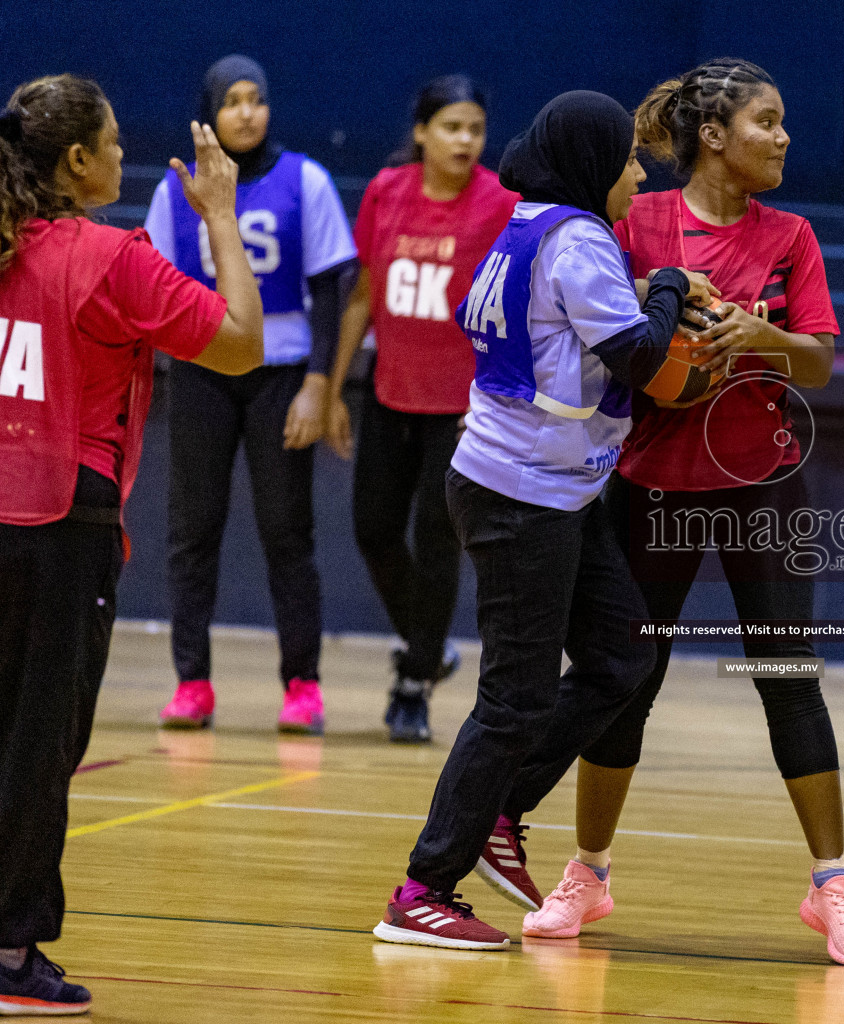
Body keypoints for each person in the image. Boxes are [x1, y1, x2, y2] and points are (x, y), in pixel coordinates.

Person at [503, 59, 844, 968]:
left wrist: (765, 338)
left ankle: (833, 887)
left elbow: (822, 362)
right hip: (649, 478)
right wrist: (656, 311)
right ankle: (588, 874)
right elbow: (586, 319)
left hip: (761, 484)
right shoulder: (633, 222)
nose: (785, 136)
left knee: (789, 677)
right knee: (624, 680)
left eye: (782, 120)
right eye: (768, 121)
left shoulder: (791, 236)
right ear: (713, 136)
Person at [371, 89, 715, 950]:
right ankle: (423, 887)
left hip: (546, 488)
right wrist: (668, 286)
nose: (638, 175)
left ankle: (499, 812)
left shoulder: (528, 223)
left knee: (624, 654)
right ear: (594, 163)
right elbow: (637, 356)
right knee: (513, 699)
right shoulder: (578, 237)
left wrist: (647, 292)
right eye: (629, 161)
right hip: (521, 492)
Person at [0, 75, 262, 1014]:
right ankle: (12, 950)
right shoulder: (109, 257)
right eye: (112, 142)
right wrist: (221, 218)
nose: (123, 156)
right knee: (39, 743)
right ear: (77, 162)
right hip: (57, 522)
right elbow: (239, 341)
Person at [145, 54, 357, 734]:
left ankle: (302, 686)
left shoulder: (307, 181)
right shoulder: (175, 189)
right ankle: (192, 683)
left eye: (255, 99)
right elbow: (152, 284)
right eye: (231, 100)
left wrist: (320, 386)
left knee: (286, 533)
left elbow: (331, 288)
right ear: (210, 110)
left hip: (283, 374)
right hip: (202, 372)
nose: (245, 111)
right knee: (191, 530)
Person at [325, 75, 519, 743]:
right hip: (388, 391)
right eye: (452, 127)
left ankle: (412, 685)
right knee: (374, 529)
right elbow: (361, 298)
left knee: (438, 544)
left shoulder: (499, 205)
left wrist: (493, 395)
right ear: (421, 132)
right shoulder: (387, 192)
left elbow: (512, 314)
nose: (465, 140)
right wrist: (330, 392)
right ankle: (429, 648)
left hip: (459, 406)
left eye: (475, 129)